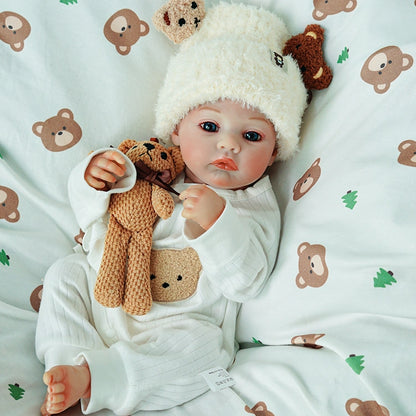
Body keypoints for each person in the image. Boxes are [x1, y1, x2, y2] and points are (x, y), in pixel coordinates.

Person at [36, 2, 307, 415]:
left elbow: (247, 282)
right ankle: (68, 359)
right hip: (106, 300)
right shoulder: (149, 165)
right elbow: (93, 221)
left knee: (208, 352)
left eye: (252, 135)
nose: (229, 144)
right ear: (177, 128)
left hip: (180, 330)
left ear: (273, 155)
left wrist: (218, 223)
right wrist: (93, 179)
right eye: (210, 126)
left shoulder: (254, 204)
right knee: (65, 273)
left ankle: (100, 377)